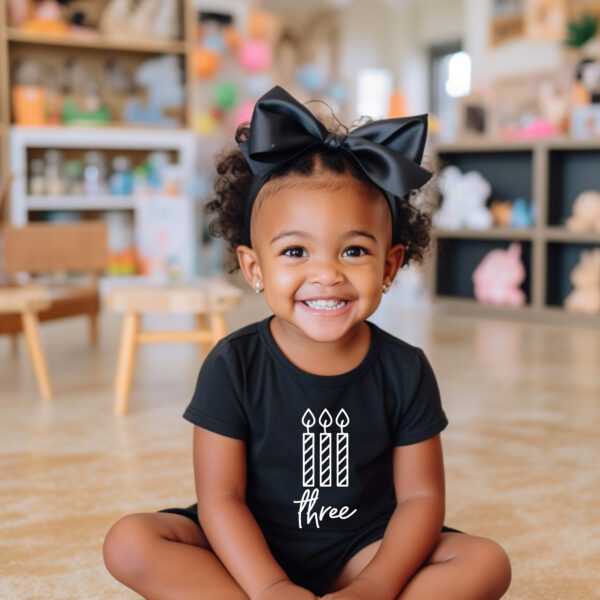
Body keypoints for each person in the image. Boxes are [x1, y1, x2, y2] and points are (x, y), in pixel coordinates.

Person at [103, 86, 511, 599]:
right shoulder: (234, 365)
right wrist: (270, 586)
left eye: (355, 251)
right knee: (131, 541)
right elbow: (221, 498)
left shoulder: (405, 369)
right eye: (295, 250)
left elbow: (422, 498)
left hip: (364, 550)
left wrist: (376, 585)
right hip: (247, 555)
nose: (326, 275)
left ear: (389, 265)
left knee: (485, 563)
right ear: (255, 267)